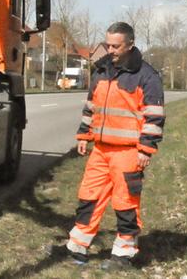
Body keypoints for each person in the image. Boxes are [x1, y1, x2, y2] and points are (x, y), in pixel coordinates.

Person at [65, 22, 164, 270]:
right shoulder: (102, 70)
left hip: (128, 152)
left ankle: (123, 255)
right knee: (89, 197)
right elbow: (91, 106)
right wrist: (83, 135)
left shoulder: (146, 76)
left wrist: (145, 149)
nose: (110, 50)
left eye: (116, 45)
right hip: (100, 150)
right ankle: (77, 245)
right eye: (108, 44)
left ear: (130, 44)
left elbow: (154, 116)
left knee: (125, 203)